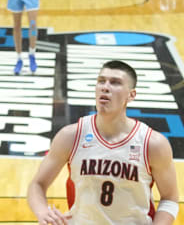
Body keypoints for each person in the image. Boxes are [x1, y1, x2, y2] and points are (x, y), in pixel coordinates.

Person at [27, 60, 179, 225]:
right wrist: (42, 212)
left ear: (131, 95)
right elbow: (37, 184)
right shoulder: (71, 136)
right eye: (101, 81)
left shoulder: (153, 144)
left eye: (115, 83)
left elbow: (170, 198)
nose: (105, 87)